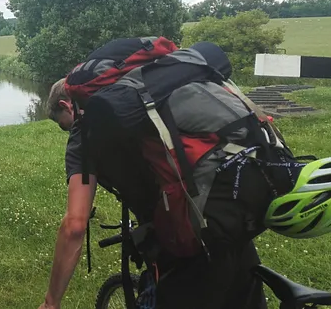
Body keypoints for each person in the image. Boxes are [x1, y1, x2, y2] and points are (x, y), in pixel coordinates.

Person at [38, 78, 268, 309]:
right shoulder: (152, 104)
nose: (69, 131)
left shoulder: (85, 132)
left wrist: (51, 302)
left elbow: (75, 225)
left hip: (184, 241)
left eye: (63, 126)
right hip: (231, 218)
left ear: (66, 105)